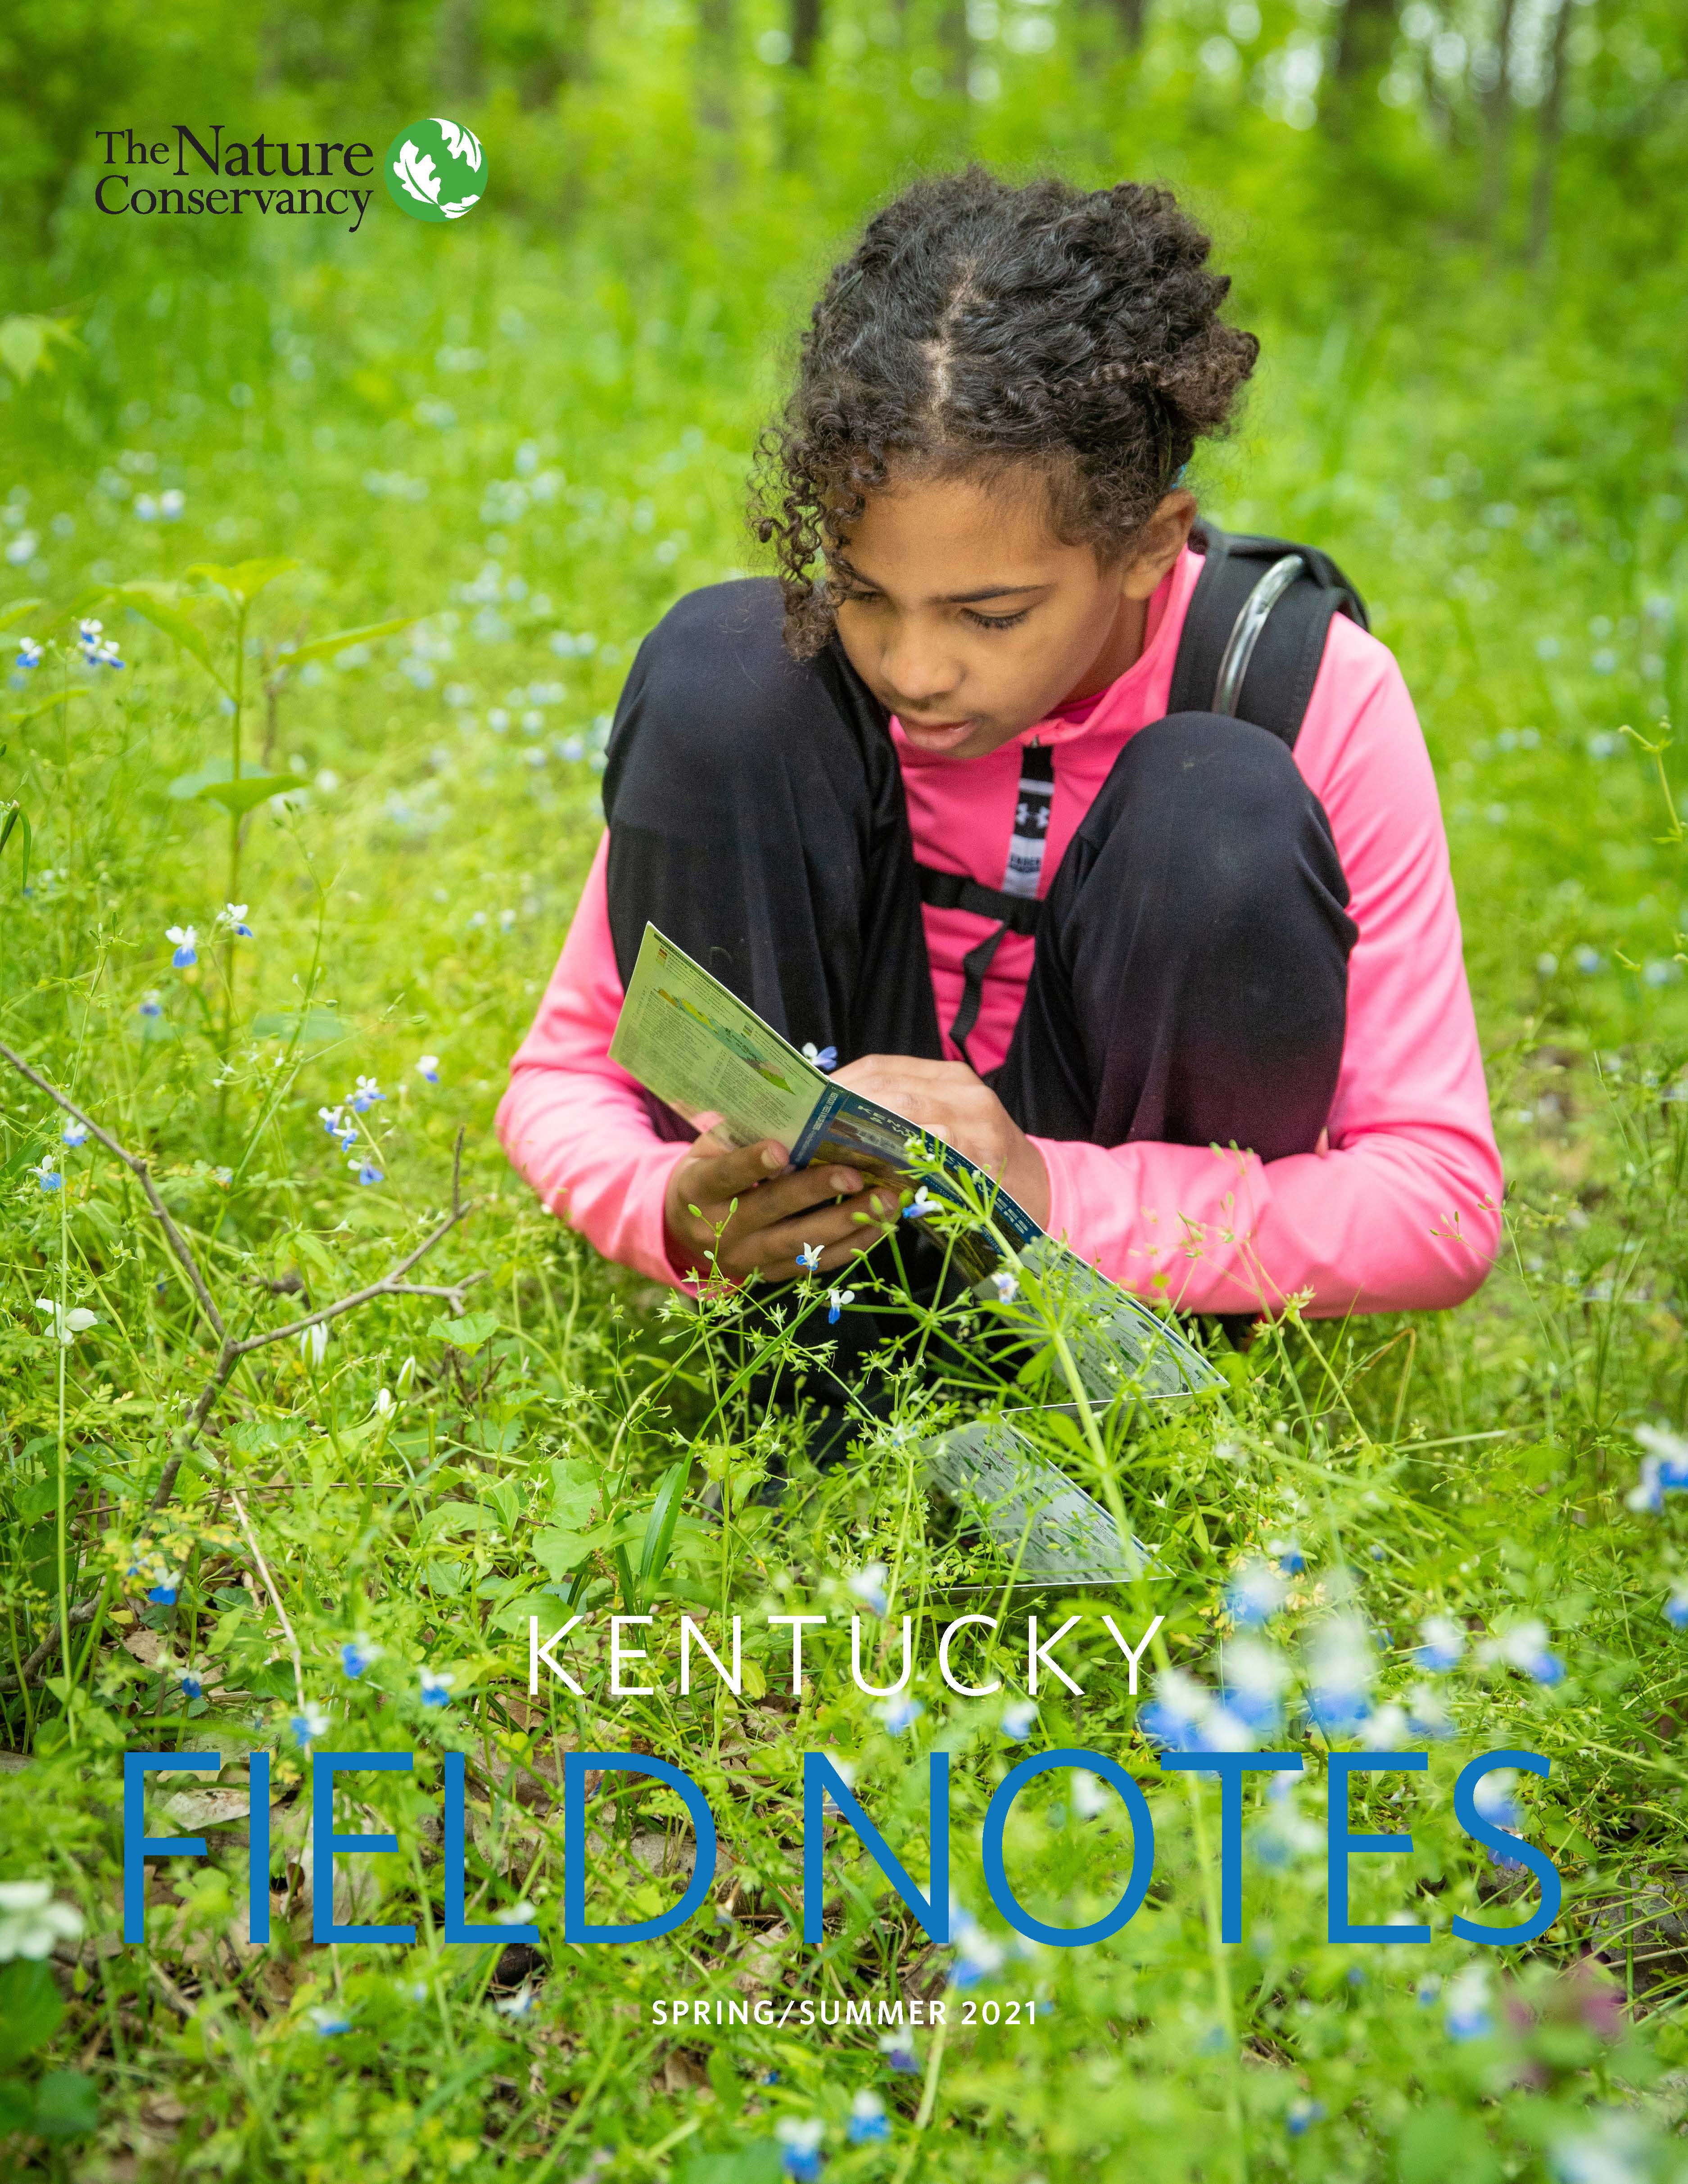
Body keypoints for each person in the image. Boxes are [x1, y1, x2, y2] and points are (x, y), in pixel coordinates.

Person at [498, 169, 1502, 1326]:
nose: (914, 669)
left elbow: (1440, 1202)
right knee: (723, 661)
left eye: (991, 615)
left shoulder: (1302, 685)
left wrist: (1042, 1189)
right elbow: (567, 1075)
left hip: (1119, 1291)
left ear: (1148, 544)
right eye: (867, 593)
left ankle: (1126, 1407)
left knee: (1216, 808)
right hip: (820, 1266)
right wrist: (670, 1208)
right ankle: (807, 1364)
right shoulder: (792, 694)